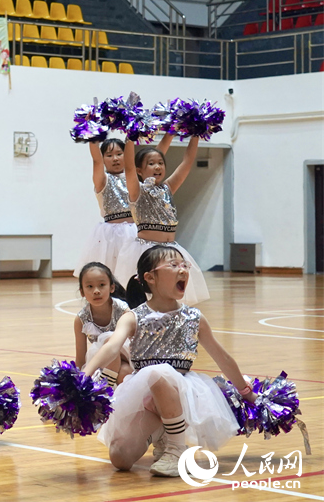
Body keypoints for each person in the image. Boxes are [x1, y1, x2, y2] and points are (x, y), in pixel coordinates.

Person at [84, 245, 255, 477]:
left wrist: (246, 392)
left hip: (182, 391)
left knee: (160, 373)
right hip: (144, 396)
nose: (182, 270)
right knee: (120, 458)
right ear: (150, 277)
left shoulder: (194, 317)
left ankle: (176, 450)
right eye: (173, 265)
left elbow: (222, 357)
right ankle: (162, 432)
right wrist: (84, 376)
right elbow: (112, 346)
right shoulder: (133, 317)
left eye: (184, 265)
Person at [114, 135, 210, 305]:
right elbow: (128, 167)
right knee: (145, 300)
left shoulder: (168, 187)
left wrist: (196, 133)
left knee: (171, 298)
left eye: (160, 163)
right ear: (139, 170)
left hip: (171, 250)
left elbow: (187, 163)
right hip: (146, 251)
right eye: (151, 163)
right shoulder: (137, 191)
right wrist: (130, 137)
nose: (157, 166)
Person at [73, 137, 168, 276]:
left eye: (119, 154)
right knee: (110, 274)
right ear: (103, 158)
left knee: (136, 272)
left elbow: (156, 154)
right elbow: (96, 160)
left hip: (136, 231)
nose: (115, 159)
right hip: (110, 236)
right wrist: (92, 133)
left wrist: (169, 133)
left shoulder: (135, 177)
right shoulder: (102, 180)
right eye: (109, 155)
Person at [73, 262, 132, 387]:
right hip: (99, 361)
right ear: (82, 291)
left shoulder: (123, 310)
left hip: (127, 355)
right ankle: (108, 392)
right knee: (123, 372)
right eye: (89, 286)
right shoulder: (81, 319)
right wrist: (75, 384)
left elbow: (135, 343)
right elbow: (80, 358)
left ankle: (105, 388)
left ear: (112, 287)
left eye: (101, 285)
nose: (96, 291)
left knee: (111, 340)